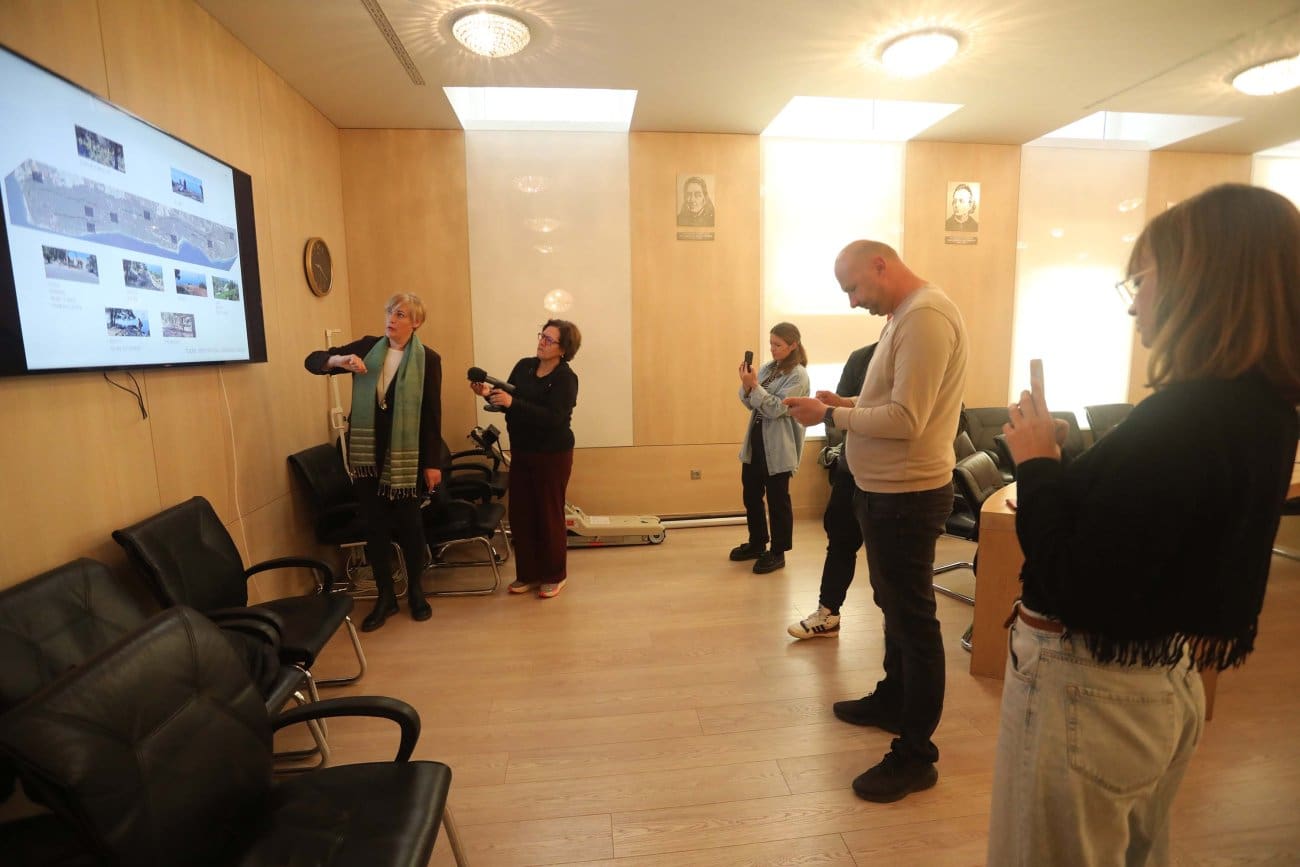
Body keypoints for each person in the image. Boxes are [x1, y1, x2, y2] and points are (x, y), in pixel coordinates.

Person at [986, 183, 1300, 866]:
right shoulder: (1264, 409)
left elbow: (1077, 582)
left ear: (1200, 280)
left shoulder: (1182, 416)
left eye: (1142, 278)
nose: (1133, 302)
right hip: (1160, 680)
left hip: (1089, 690)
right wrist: (1063, 458)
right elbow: (1143, 529)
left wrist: (1035, 466)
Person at [784, 240, 968, 803]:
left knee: (914, 622)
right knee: (893, 607)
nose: (853, 302)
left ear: (880, 265)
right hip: (883, 490)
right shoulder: (903, 316)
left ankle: (916, 755)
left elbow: (908, 420)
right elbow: (894, 402)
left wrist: (831, 414)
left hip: (907, 495)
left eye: (854, 288)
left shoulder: (926, 317)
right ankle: (894, 700)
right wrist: (847, 403)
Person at [304, 293, 443, 632]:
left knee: (411, 527)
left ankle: (416, 592)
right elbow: (312, 360)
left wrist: (432, 462)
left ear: (416, 322)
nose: (392, 319)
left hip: (406, 458)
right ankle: (386, 598)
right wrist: (339, 361)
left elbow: (431, 413)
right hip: (367, 457)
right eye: (390, 312)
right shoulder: (367, 347)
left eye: (401, 314)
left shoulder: (429, 359)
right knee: (375, 528)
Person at [472, 320, 580, 598]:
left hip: (552, 454)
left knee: (548, 514)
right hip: (522, 450)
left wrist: (513, 403)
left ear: (563, 349)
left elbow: (553, 418)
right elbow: (511, 403)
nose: (542, 342)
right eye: (542, 336)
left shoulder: (566, 378)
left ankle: (554, 575)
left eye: (549, 340)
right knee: (521, 514)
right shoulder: (524, 366)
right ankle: (528, 574)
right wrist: (490, 395)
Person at [788, 341, 876, 639]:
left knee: (890, 563)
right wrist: (839, 405)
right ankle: (828, 612)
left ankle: (897, 629)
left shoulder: (920, 351)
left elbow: (949, 419)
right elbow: (836, 417)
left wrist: (848, 408)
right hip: (852, 469)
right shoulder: (861, 358)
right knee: (840, 540)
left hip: (894, 480)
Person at [730, 322, 810, 574]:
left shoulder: (798, 375)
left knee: (777, 501)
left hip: (779, 445)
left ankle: (778, 552)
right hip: (756, 441)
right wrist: (746, 385)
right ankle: (757, 542)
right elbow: (749, 403)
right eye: (771, 344)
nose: (773, 349)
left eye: (778, 344)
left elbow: (777, 408)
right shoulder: (768, 368)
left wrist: (754, 386)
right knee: (751, 495)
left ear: (793, 345)